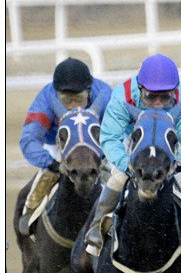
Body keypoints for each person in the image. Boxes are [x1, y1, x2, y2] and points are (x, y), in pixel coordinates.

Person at [83, 53, 181, 259]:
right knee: (117, 178)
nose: (158, 103)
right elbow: (110, 138)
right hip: (134, 146)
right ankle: (96, 229)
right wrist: (126, 164)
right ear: (140, 89)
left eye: (165, 97)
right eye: (151, 96)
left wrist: (178, 164)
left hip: (169, 149)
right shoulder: (122, 96)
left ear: (174, 91)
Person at [17, 57, 112, 235]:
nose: (73, 106)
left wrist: (106, 155)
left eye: (79, 99)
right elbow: (29, 139)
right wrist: (51, 163)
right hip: (59, 146)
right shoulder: (46, 99)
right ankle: (30, 209)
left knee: (117, 176)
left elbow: (120, 132)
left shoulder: (105, 94)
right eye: (67, 100)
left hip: (97, 146)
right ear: (57, 94)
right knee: (48, 172)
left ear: (89, 92)